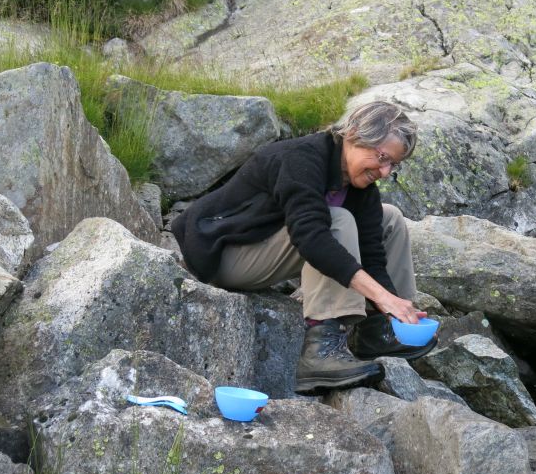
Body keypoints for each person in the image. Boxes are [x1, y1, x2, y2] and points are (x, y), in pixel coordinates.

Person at [171, 101, 431, 392]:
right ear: (355, 134)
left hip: (268, 249)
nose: (384, 171)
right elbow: (311, 238)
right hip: (226, 255)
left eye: (393, 164)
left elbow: (372, 256)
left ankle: (378, 330)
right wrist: (381, 295)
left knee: (391, 218)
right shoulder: (301, 158)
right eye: (382, 157)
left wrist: (391, 305)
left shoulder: (361, 189)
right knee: (337, 221)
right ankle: (319, 352)